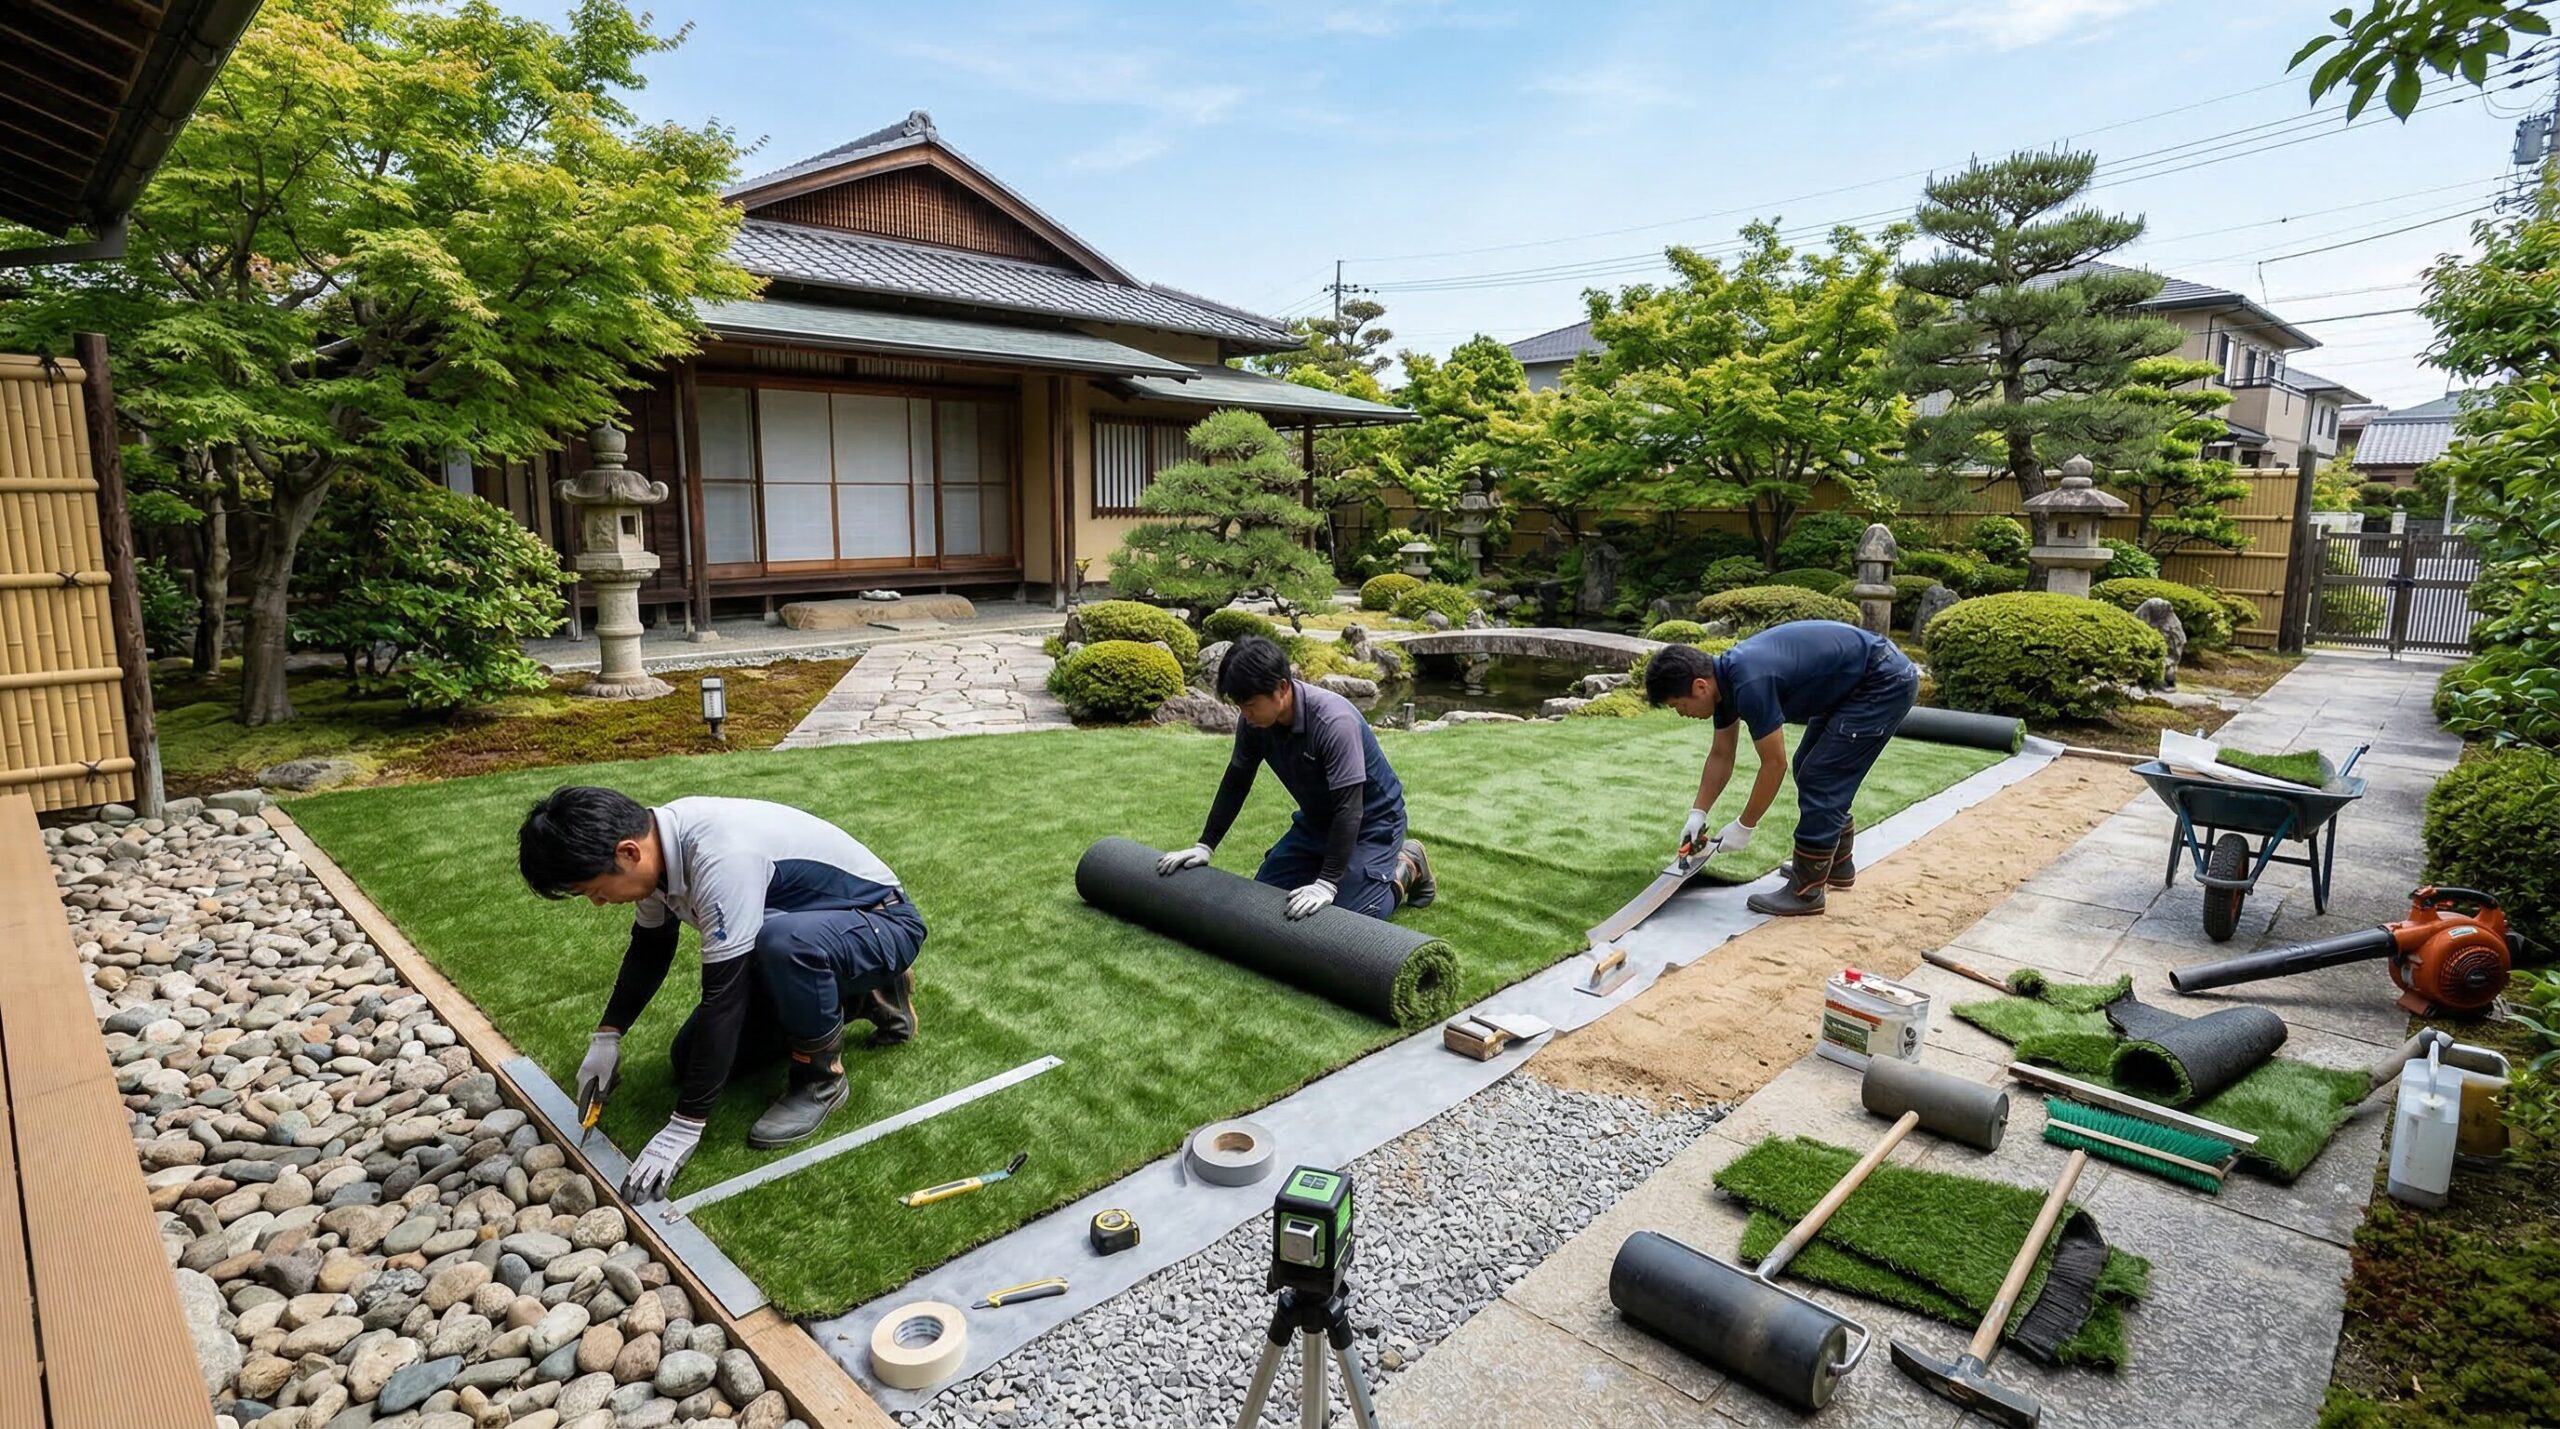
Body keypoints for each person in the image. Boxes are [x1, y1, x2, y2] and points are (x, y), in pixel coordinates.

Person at [517, 787, 925, 1202]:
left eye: (594, 889)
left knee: (781, 945)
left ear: (627, 853)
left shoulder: (721, 857)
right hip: (804, 932)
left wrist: (685, 1124)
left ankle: (821, 1079)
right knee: (689, 1058)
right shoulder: (656, 851)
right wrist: (608, 1036)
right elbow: (650, 950)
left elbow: (724, 999)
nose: (599, 903)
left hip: (880, 922)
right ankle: (860, 997)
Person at [1643, 621, 1919, 917]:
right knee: (1808, 765)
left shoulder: (1749, 682)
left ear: (1700, 686)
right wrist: (1697, 814)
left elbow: (1774, 764)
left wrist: (1745, 826)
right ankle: (1837, 865)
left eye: (1679, 705)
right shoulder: (1722, 682)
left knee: (1820, 777)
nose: (1682, 714)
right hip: (1858, 681)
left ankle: (1806, 891)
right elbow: (1722, 755)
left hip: (1882, 682)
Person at [1155, 636, 1436, 921]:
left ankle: (1408, 864)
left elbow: (1350, 809)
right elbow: (1237, 780)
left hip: (1373, 823)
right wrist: (1206, 845)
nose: (1245, 714)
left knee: (1348, 918)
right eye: (1240, 706)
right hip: (1317, 821)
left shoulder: (1334, 722)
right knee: (1264, 899)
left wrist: (1326, 883)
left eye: (1250, 704)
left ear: (1282, 688)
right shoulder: (1254, 722)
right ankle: (1333, 868)